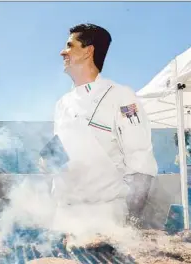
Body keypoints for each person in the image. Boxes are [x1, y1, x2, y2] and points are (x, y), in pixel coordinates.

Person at [50, 23, 158, 230]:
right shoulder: (62, 103)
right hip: (66, 214)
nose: (62, 52)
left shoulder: (121, 96)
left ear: (88, 51)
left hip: (106, 216)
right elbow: (62, 155)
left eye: (70, 46)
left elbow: (140, 162)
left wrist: (132, 223)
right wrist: (49, 160)